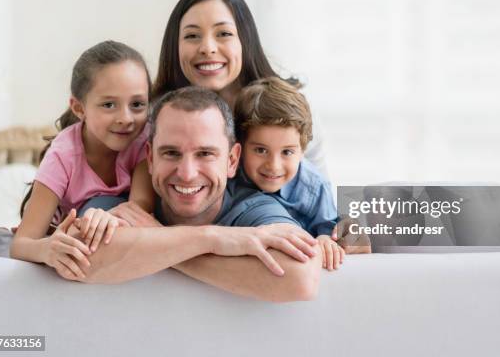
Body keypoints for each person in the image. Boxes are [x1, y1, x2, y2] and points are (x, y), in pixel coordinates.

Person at [62, 87, 321, 302]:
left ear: (232, 161)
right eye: (171, 153)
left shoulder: (258, 207)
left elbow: (301, 279)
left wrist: (160, 243)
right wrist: (213, 239)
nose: (186, 174)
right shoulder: (119, 206)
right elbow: (79, 259)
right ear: (150, 158)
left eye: (205, 154)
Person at [10, 40, 155, 278]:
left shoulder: (144, 139)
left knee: (104, 207)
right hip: (76, 236)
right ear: (79, 108)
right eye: (109, 104)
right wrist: (47, 249)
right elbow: (21, 243)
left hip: (121, 238)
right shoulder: (63, 155)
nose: (126, 118)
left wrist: (105, 216)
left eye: (137, 104)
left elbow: (139, 207)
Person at [152, 0, 328, 176]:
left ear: (245, 40)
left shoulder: (292, 109)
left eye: (224, 34)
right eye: (192, 35)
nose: (208, 48)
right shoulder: (154, 115)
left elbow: (324, 193)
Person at [234, 77, 344, 271]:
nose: (274, 166)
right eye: (260, 150)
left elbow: (328, 226)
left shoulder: (314, 186)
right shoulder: (228, 179)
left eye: (287, 152)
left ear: (302, 151)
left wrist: (326, 239)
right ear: (240, 147)